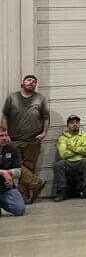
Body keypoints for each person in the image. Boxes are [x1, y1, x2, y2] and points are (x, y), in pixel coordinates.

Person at [1, 73, 49, 202]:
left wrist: (44, 133)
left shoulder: (40, 99)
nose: (31, 82)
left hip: (33, 141)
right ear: (22, 83)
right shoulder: (12, 98)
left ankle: (24, 196)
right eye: (29, 80)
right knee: (18, 166)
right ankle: (36, 183)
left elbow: (46, 117)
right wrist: (5, 134)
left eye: (34, 81)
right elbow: (5, 115)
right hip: (14, 140)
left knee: (29, 168)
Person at [53, 115, 86, 201]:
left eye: (77, 122)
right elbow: (63, 154)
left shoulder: (85, 136)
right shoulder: (62, 138)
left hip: (81, 162)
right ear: (68, 126)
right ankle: (62, 191)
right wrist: (79, 150)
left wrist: (72, 148)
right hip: (67, 163)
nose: (75, 124)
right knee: (58, 165)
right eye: (72, 123)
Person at [0, 124, 25, 218]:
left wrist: (10, 173)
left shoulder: (12, 149)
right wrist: (3, 172)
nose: (4, 138)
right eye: (1, 136)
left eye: (6, 135)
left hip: (6, 187)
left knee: (20, 210)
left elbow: (19, 171)